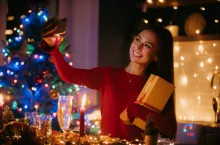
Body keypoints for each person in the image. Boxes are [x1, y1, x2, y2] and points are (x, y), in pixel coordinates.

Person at [39, 22, 177, 140]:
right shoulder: (108, 75)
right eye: (138, 40)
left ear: (156, 56)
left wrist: (141, 112)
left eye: (147, 45)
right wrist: (53, 49)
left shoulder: (157, 88)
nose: (138, 47)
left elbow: (170, 130)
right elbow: (69, 75)